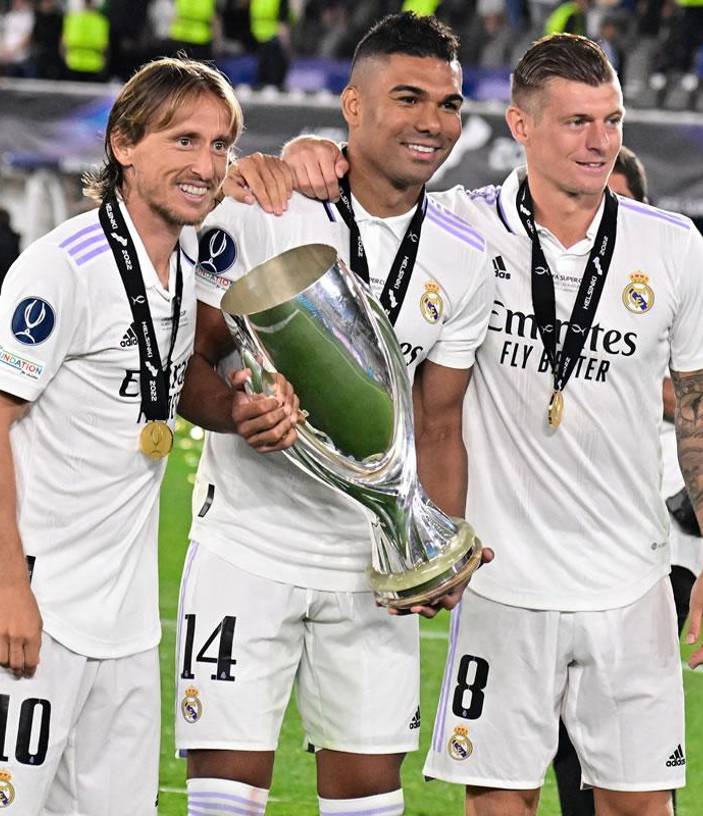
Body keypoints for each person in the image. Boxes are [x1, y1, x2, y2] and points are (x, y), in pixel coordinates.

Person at [278, 32, 703, 816]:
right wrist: (302, 152)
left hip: (630, 582)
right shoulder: (460, 229)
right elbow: (371, 183)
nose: (601, 143)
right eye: (577, 122)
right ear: (522, 127)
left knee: (642, 806)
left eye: (612, 120)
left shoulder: (671, 247)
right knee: (500, 802)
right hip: (501, 582)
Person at [0, 57, 299, 815]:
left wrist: (238, 405)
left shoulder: (189, 260)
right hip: (29, 607)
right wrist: (8, 587)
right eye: (184, 141)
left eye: (221, 144)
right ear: (124, 145)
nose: (207, 165)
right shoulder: (61, 268)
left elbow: (171, 383)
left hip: (126, 625)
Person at [177, 14, 494, 816]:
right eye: (409, 98)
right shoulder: (266, 206)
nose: (433, 122)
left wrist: (434, 540)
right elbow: (191, 359)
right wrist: (237, 410)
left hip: (370, 570)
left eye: (450, 104)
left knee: (367, 804)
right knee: (224, 800)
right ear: (351, 106)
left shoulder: (464, 257)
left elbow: (440, 420)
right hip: (249, 544)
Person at [551, 145, 703, 816]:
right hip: (564, 527)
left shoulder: (683, 276)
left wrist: (643, 385)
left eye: (610, 198)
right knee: (563, 726)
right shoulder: (553, 282)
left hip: (662, 537)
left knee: (619, 725)